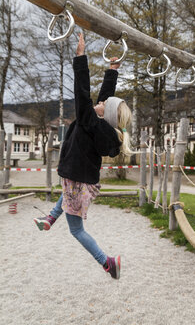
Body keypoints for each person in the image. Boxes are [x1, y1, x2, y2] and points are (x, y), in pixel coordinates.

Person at [34, 33, 133, 280]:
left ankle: (107, 262)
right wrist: (112, 71)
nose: (100, 102)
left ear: (103, 112)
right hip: (78, 179)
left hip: (78, 181)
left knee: (76, 230)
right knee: (67, 190)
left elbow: (82, 91)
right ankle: (50, 219)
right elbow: (106, 98)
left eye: (103, 103)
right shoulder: (102, 124)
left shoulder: (91, 120)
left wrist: (81, 58)